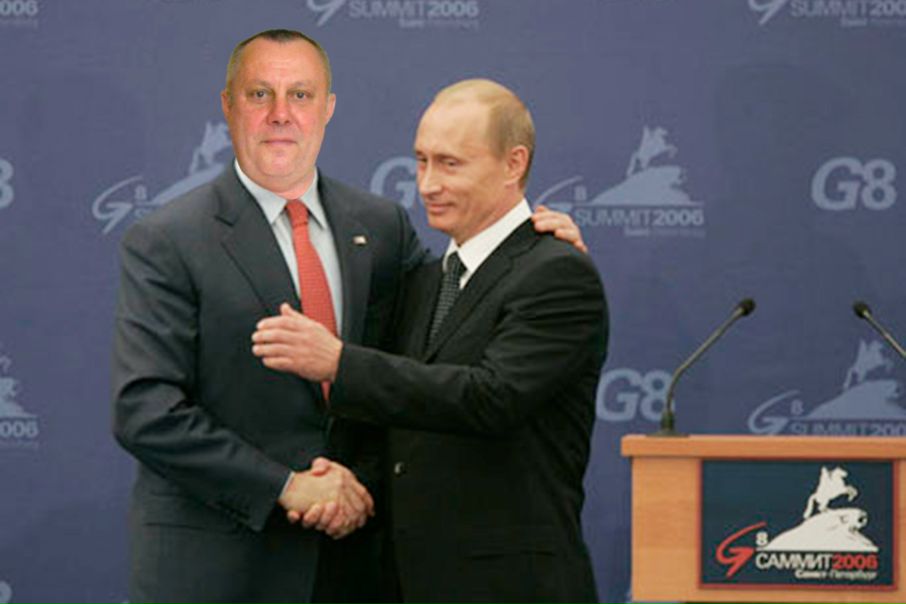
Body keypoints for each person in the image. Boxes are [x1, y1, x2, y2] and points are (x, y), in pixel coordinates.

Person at [112, 30, 585, 604]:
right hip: (223, 567)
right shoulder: (167, 239)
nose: (281, 114)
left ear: (328, 108)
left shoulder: (382, 227)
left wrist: (530, 248)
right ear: (228, 105)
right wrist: (285, 486)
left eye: (301, 95)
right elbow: (145, 411)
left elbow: (453, 329)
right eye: (260, 94)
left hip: (356, 566)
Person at [253, 78, 608, 603]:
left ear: (513, 164)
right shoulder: (426, 280)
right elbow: (408, 425)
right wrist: (349, 483)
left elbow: (492, 398)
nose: (427, 184)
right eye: (421, 162)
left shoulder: (556, 273)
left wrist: (339, 363)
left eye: (450, 164)